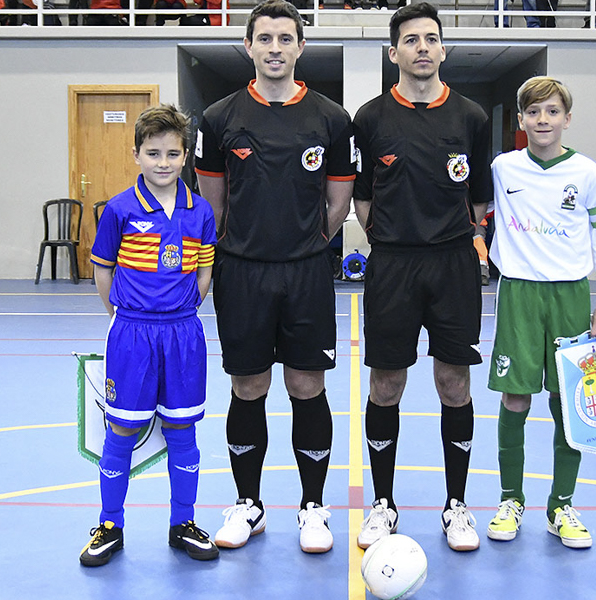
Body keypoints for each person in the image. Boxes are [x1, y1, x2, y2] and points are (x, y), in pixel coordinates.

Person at [194, 0, 354, 554]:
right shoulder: (219, 118)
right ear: (248, 47)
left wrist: (303, 243)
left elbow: (339, 204)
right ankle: (249, 504)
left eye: (286, 39)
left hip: (307, 275)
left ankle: (312, 507)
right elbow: (212, 209)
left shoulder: (332, 119)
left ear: (301, 47)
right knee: (249, 386)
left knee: (307, 386)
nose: (275, 49)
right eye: (265, 39)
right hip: (242, 274)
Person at [352, 2, 492, 553]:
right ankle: (383, 504)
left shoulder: (472, 118)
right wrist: (394, 236)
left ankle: (456, 505)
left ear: (443, 49)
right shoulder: (369, 119)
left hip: (454, 265)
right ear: (394, 53)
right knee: (386, 384)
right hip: (392, 267)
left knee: (453, 383)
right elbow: (361, 199)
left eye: (431, 38)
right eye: (411, 40)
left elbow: (479, 197)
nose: (423, 47)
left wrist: (451, 238)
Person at [79, 104, 220, 566]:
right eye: (153, 152)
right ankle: (109, 524)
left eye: (173, 154)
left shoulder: (199, 211)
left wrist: (180, 311)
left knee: (183, 429)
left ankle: (182, 523)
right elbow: (103, 272)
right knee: (122, 429)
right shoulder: (119, 209)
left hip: (182, 334)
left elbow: (203, 273)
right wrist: (127, 317)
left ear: (186, 157)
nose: (163, 162)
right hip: (132, 334)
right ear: (136, 153)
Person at [483, 77, 596, 549]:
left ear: (567, 118)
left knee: (569, 406)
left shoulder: (586, 171)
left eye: (553, 111)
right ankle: (510, 500)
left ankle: (561, 505)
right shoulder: (502, 168)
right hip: (519, 295)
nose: (543, 120)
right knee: (516, 399)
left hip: (569, 297)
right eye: (534, 112)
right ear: (520, 120)